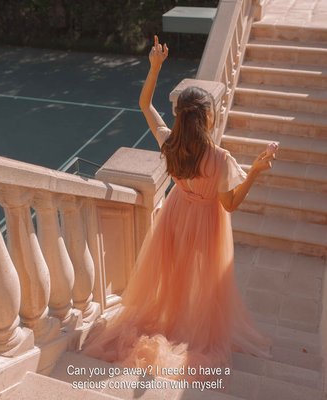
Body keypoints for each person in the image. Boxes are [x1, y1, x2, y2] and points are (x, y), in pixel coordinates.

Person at [81, 36, 272, 381]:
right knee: (202, 279)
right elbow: (229, 204)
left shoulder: (169, 143)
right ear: (208, 118)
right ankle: (192, 327)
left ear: (181, 118)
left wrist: (154, 67)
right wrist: (254, 173)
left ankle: (174, 320)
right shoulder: (221, 159)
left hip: (176, 214)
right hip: (207, 223)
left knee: (175, 273)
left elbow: (144, 105)